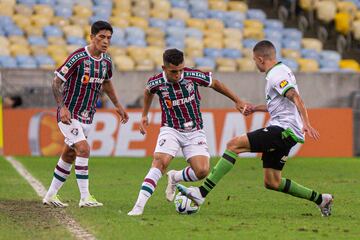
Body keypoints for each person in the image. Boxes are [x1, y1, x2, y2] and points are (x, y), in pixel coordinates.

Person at [177, 40, 334, 217]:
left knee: (233, 145)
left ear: (260, 59)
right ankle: (322, 199)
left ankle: (200, 193)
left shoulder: (276, 75)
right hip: (287, 131)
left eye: (254, 60)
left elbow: (295, 97)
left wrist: (306, 122)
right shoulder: (282, 71)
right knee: (272, 182)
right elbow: (279, 105)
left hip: (284, 130)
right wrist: (255, 108)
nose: (254, 63)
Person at [127, 48, 247, 216]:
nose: (178, 74)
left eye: (181, 70)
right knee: (160, 162)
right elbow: (148, 92)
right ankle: (138, 207)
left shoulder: (192, 76)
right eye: (173, 71)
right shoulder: (156, 82)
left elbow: (216, 84)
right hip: (171, 129)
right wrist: (144, 115)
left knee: (202, 171)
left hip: (195, 130)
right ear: (164, 68)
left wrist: (238, 100)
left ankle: (175, 177)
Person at [43, 21, 129, 208]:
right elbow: (56, 82)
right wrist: (62, 107)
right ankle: (85, 197)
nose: (105, 41)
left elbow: (106, 82)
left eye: (108, 38)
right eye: (101, 37)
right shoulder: (78, 57)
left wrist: (117, 105)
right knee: (83, 149)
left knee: (69, 155)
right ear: (92, 37)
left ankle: (50, 195)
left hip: (87, 116)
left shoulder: (106, 60)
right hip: (69, 115)